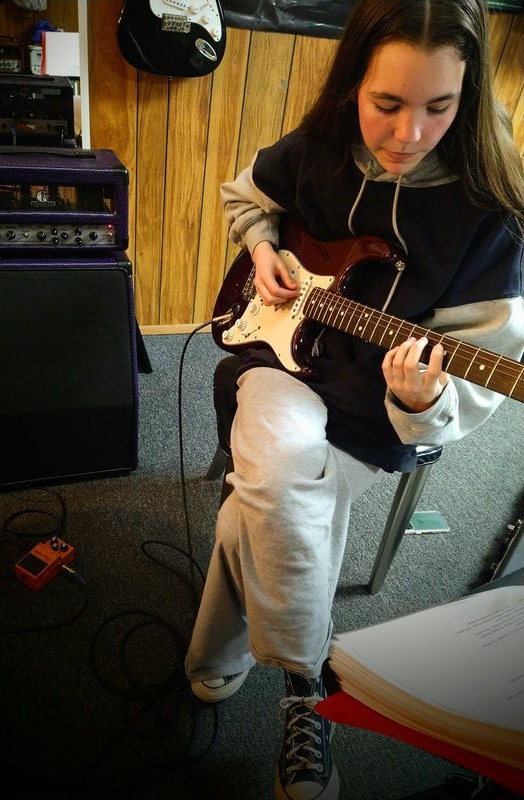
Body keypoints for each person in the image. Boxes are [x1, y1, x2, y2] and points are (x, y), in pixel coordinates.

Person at [185, 0, 524, 798]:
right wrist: (264, 246)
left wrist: (422, 399)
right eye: (388, 104)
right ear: (353, 87)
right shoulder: (321, 146)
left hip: (377, 410)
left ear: (469, 99)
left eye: (440, 108)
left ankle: (216, 657)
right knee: (277, 477)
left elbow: (473, 393)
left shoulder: (493, 218)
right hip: (276, 361)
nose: (409, 133)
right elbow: (245, 195)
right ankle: (308, 690)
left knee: (260, 501)